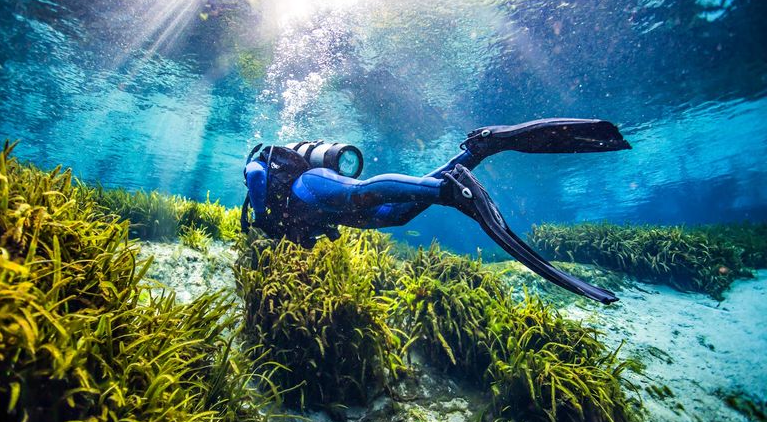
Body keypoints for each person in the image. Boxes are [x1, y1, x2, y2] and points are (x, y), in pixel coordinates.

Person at [241, 118, 631, 303]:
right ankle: (475, 153)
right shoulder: (288, 233)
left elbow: (256, 173)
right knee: (396, 214)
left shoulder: (265, 185)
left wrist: (259, 214)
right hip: (322, 210)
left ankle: (448, 189)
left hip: (306, 188)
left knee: (362, 194)